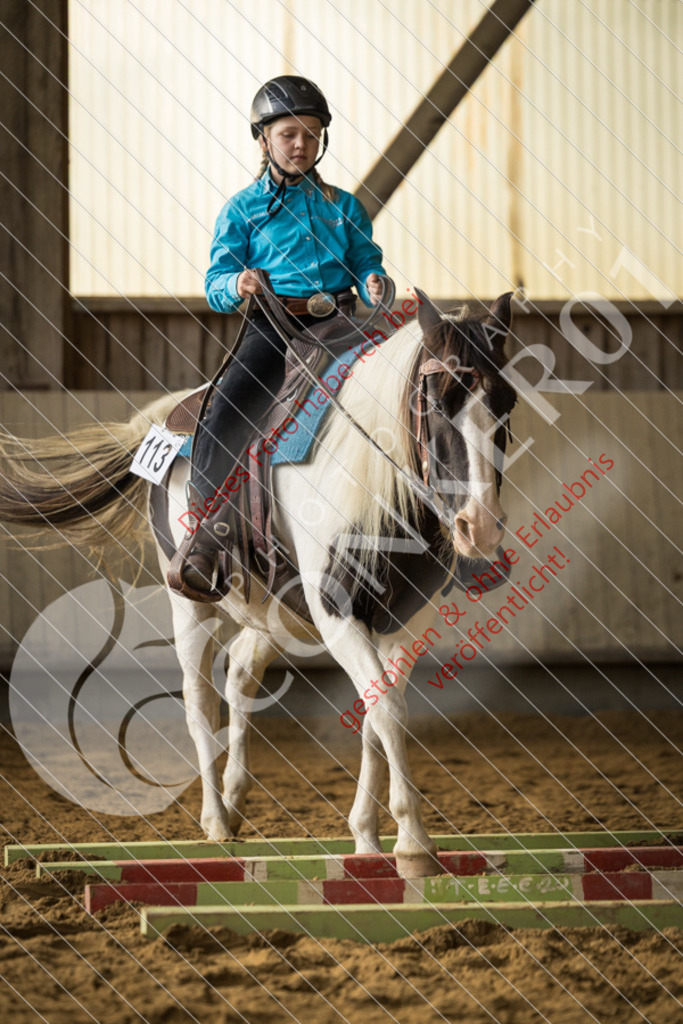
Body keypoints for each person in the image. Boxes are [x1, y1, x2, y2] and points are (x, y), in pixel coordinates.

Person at [170, 75, 390, 601]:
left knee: (411, 391)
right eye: (289, 134)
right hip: (274, 328)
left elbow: (366, 260)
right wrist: (236, 283)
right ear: (263, 139)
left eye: (311, 135)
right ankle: (204, 531)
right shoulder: (241, 210)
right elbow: (214, 283)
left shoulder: (345, 206)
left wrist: (375, 281)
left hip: (340, 325)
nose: (301, 145)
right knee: (228, 405)